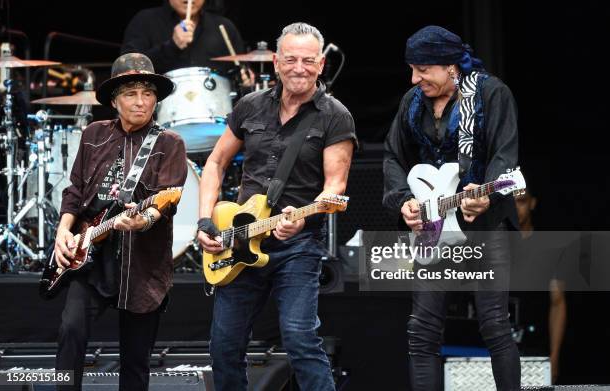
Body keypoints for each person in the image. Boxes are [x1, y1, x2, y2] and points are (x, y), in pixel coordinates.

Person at [196, 22, 357, 391]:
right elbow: (216, 164)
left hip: (297, 247)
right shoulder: (249, 106)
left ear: (320, 65)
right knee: (224, 347)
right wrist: (206, 221)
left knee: (300, 340)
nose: (299, 67)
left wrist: (301, 220)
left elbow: (336, 186)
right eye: (290, 59)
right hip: (239, 241)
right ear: (275, 61)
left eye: (308, 60)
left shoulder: (335, 116)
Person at [383, 26, 521, 390]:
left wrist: (488, 193)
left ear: (451, 67)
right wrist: (403, 201)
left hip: (484, 225)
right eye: (412, 69)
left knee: (494, 324)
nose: (415, 78)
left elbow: (505, 155)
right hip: (433, 226)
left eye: (423, 69)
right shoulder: (413, 102)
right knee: (422, 330)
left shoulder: (491, 94)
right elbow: (394, 157)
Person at [52, 53, 187, 390]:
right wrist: (62, 233)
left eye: (147, 93)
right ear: (114, 100)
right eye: (130, 93)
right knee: (70, 330)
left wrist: (142, 222)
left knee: (136, 364)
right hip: (90, 258)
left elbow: (165, 203)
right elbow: (75, 190)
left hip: (142, 265)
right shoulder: (94, 134)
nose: (141, 102)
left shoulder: (170, 144)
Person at [514, 187, 567, 383]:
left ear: (532, 203)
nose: (516, 208)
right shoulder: (494, 245)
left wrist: (554, 357)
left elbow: (558, 303)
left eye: (521, 201)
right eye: (510, 203)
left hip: (535, 348)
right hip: (494, 348)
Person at [121, 0, 248, 76]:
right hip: (158, 111)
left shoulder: (224, 26)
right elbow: (127, 68)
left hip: (216, 112)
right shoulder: (145, 20)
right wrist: (172, 46)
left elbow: (241, 70)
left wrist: (245, 77)